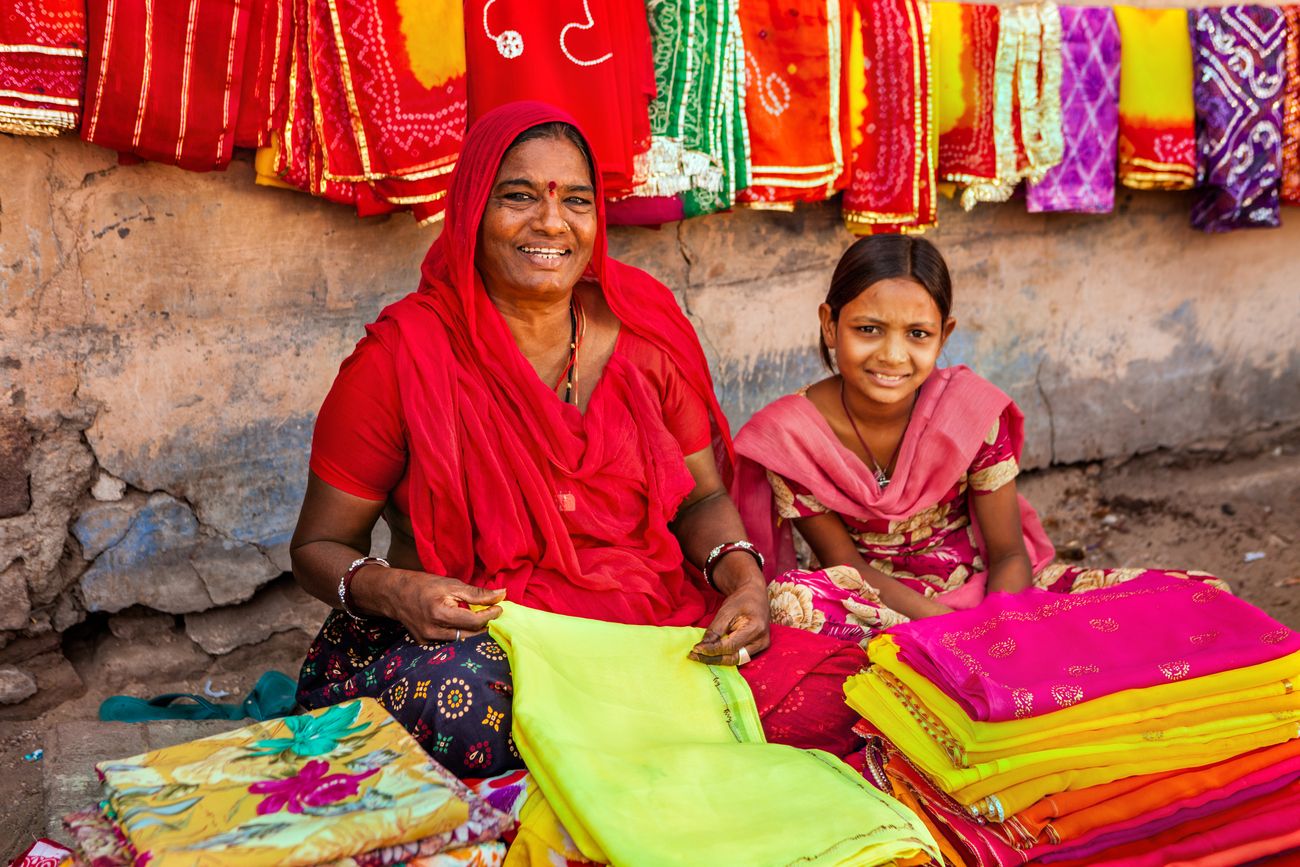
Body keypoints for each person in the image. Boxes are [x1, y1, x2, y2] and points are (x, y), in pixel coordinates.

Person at [290, 101, 865, 779]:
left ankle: (632, 749)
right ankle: (650, 752)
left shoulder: (643, 331)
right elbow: (318, 547)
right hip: (493, 640)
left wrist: (742, 580)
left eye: (576, 200)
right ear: (474, 208)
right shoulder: (402, 357)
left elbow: (701, 498)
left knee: (842, 696)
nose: (551, 222)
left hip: (645, 630)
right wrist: (397, 592)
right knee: (461, 707)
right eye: (520, 196)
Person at [734, 234, 1224, 642]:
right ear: (830, 324)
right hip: (882, 608)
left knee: (1197, 597)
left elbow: (1009, 552)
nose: (892, 355)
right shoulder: (790, 436)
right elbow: (846, 565)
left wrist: (1000, 630)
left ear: (944, 336)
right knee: (791, 605)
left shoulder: (968, 411)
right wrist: (952, 631)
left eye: (918, 335)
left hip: (994, 594)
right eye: (868, 329)